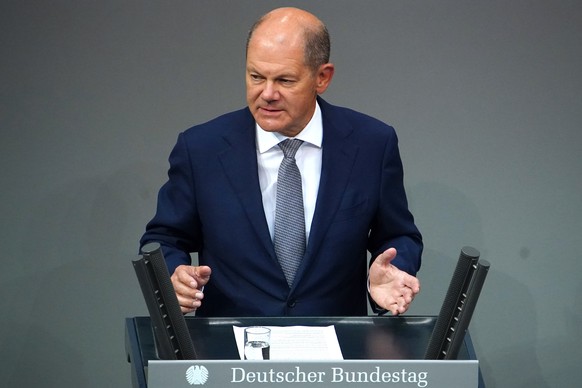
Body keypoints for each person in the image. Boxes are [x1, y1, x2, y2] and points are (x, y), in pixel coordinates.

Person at [140, 7, 423, 317]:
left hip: (336, 350)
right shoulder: (201, 149)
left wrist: (388, 273)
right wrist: (174, 275)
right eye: (255, 77)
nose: (267, 94)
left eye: (285, 80)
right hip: (231, 352)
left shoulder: (371, 144)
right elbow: (164, 237)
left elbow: (398, 234)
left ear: (322, 77)